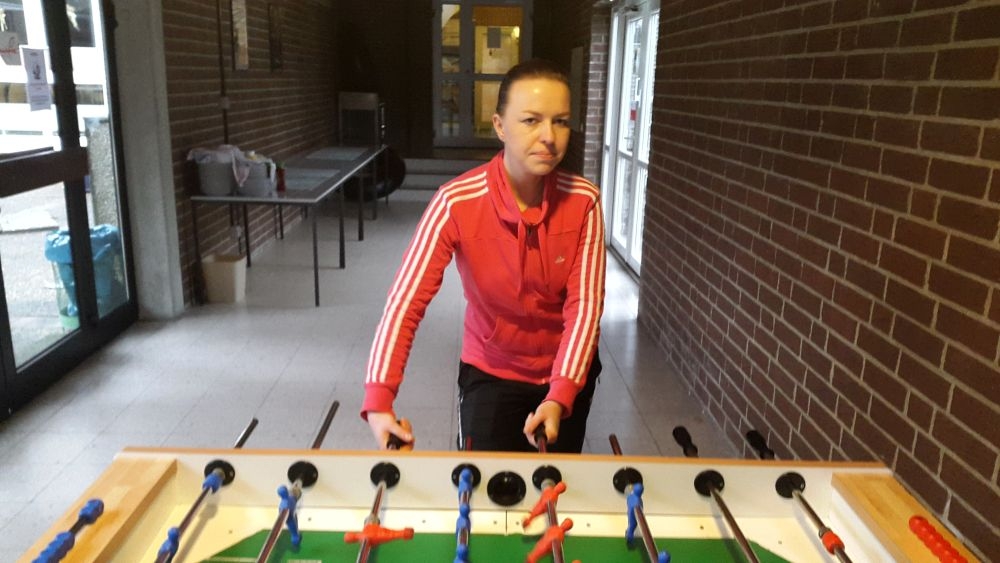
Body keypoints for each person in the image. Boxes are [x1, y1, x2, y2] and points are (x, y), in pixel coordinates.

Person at [362, 59, 606, 452]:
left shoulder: (584, 201)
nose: (549, 136)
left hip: (567, 371)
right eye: (531, 120)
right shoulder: (455, 201)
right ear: (499, 126)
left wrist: (560, 394)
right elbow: (405, 303)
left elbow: (586, 308)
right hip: (491, 370)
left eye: (560, 121)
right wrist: (379, 400)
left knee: (555, 476)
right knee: (479, 478)